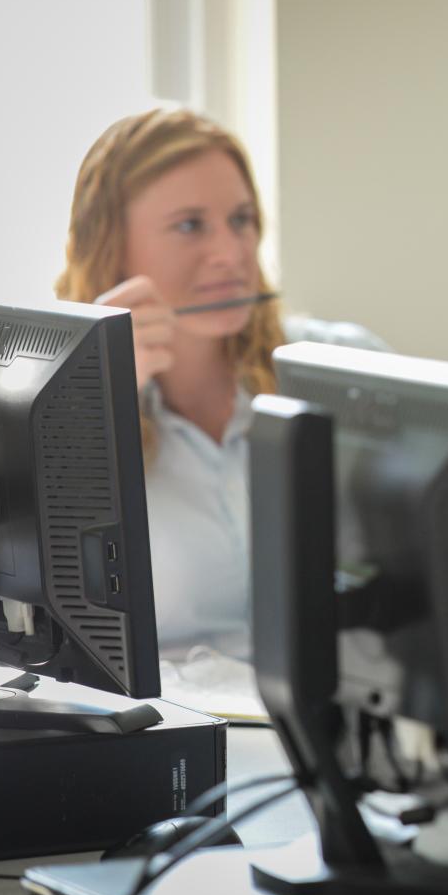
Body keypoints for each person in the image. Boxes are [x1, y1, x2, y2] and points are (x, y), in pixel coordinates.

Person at [55, 107, 382, 657]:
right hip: (173, 733)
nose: (231, 254)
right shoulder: (59, 407)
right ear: (111, 247)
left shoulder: (344, 366)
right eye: (190, 225)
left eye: (241, 220)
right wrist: (95, 403)